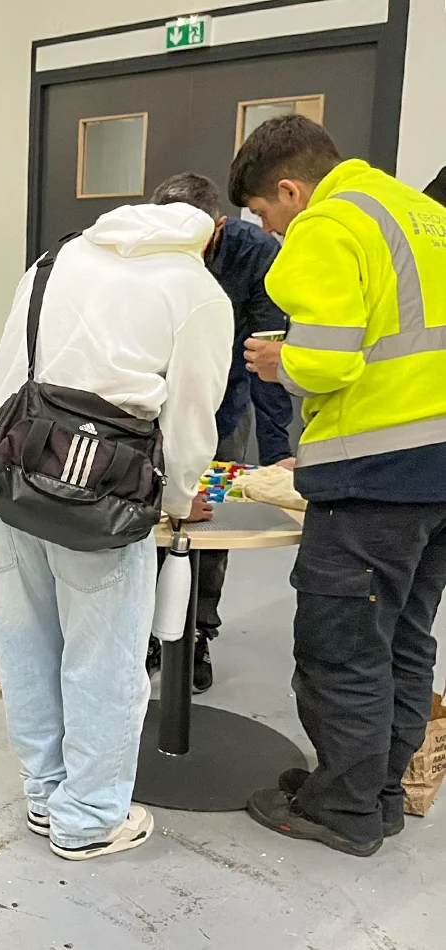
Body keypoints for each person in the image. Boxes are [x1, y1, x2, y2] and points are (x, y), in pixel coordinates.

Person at [0, 201, 231, 860]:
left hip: (12, 476)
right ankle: (90, 817)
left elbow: (12, 371)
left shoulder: (55, 259)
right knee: (104, 661)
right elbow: (191, 420)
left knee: (26, 640)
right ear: (212, 237)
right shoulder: (196, 291)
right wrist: (177, 500)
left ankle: (45, 795)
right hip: (106, 499)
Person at [233, 116, 446, 856]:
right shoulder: (423, 214)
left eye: (264, 213)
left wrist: (279, 362)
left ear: (289, 190)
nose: (270, 229)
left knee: (343, 647)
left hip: (375, 477)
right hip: (438, 472)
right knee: (404, 638)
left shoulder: (329, 225)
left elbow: (327, 360)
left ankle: (345, 810)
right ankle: (377, 790)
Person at [147, 172, 294, 692]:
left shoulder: (255, 254)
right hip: (148, 405)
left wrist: (278, 453)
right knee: (146, 515)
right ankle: (145, 628)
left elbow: (266, 356)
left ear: (219, 226)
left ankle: (197, 632)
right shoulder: (139, 247)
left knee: (208, 523)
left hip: (223, 404)